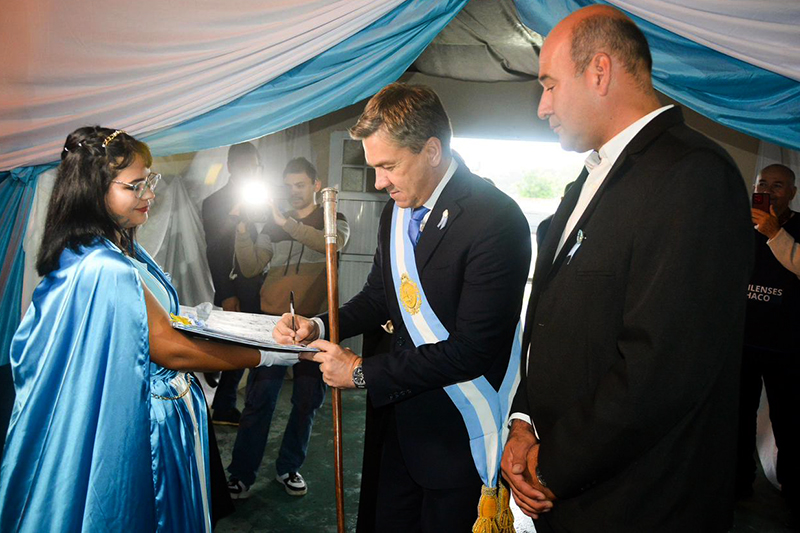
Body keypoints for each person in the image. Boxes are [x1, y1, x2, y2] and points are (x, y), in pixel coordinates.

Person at [501, 6, 753, 533]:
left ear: (599, 72)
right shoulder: (591, 176)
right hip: (574, 489)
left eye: (549, 85)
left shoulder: (693, 176)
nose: (543, 106)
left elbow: (661, 367)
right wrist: (524, 422)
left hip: (638, 502)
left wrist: (550, 462)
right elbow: (550, 321)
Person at [0, 127, 297, 532]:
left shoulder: (114, 247)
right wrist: (269, 353)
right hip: (144, 423)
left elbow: (158, 318)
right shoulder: (105, 266)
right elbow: (170, 349)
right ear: (93, 190)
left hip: (160, 409)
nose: (149, 195)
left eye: (149, 181)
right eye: (135, 186)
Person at [273, 83, 531, 532]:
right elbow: (378, 296)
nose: (379, 182)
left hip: (459, 434)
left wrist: (360, 371)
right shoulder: (397, 210)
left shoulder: (496, 219)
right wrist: (318, 325)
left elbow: (472, 349)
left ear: (431, 150)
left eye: (388, 166)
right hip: (399, 427)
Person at [226, 157, 349, 499]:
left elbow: (332, 245)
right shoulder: (273, 227)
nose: (293, 192)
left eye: (300, 185)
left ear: (315, 184)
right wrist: (242, 231)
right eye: (288, 186)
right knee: (259, 400)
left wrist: (286, 221)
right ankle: (240, 475)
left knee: (307, 401)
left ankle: (288, 467)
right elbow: (251, 268)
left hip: (314, 327)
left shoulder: (333, 219)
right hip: (272, 326)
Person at [737, 163, 800, 525]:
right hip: (744, 341)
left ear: (791, 192)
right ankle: (737, 482)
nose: (769, 191)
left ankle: (793, 489)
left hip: (787, 346)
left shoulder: (798, 226)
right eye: (763, 184)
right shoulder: (740, 224)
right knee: (737, 417)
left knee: (790, 421)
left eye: (778, 186)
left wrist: (775, 232)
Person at [202, 142, 265, 426]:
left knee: (243, 346)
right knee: (230, 344)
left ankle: (225, 403)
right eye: (245, 166)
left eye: (254, 166)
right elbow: (214, 251)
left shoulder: (262, 198)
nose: (250, 171)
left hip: (258, 284)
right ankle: (220, 396)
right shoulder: (214, 202)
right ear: (231, 167)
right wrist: (226, 295)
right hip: (231, 284)